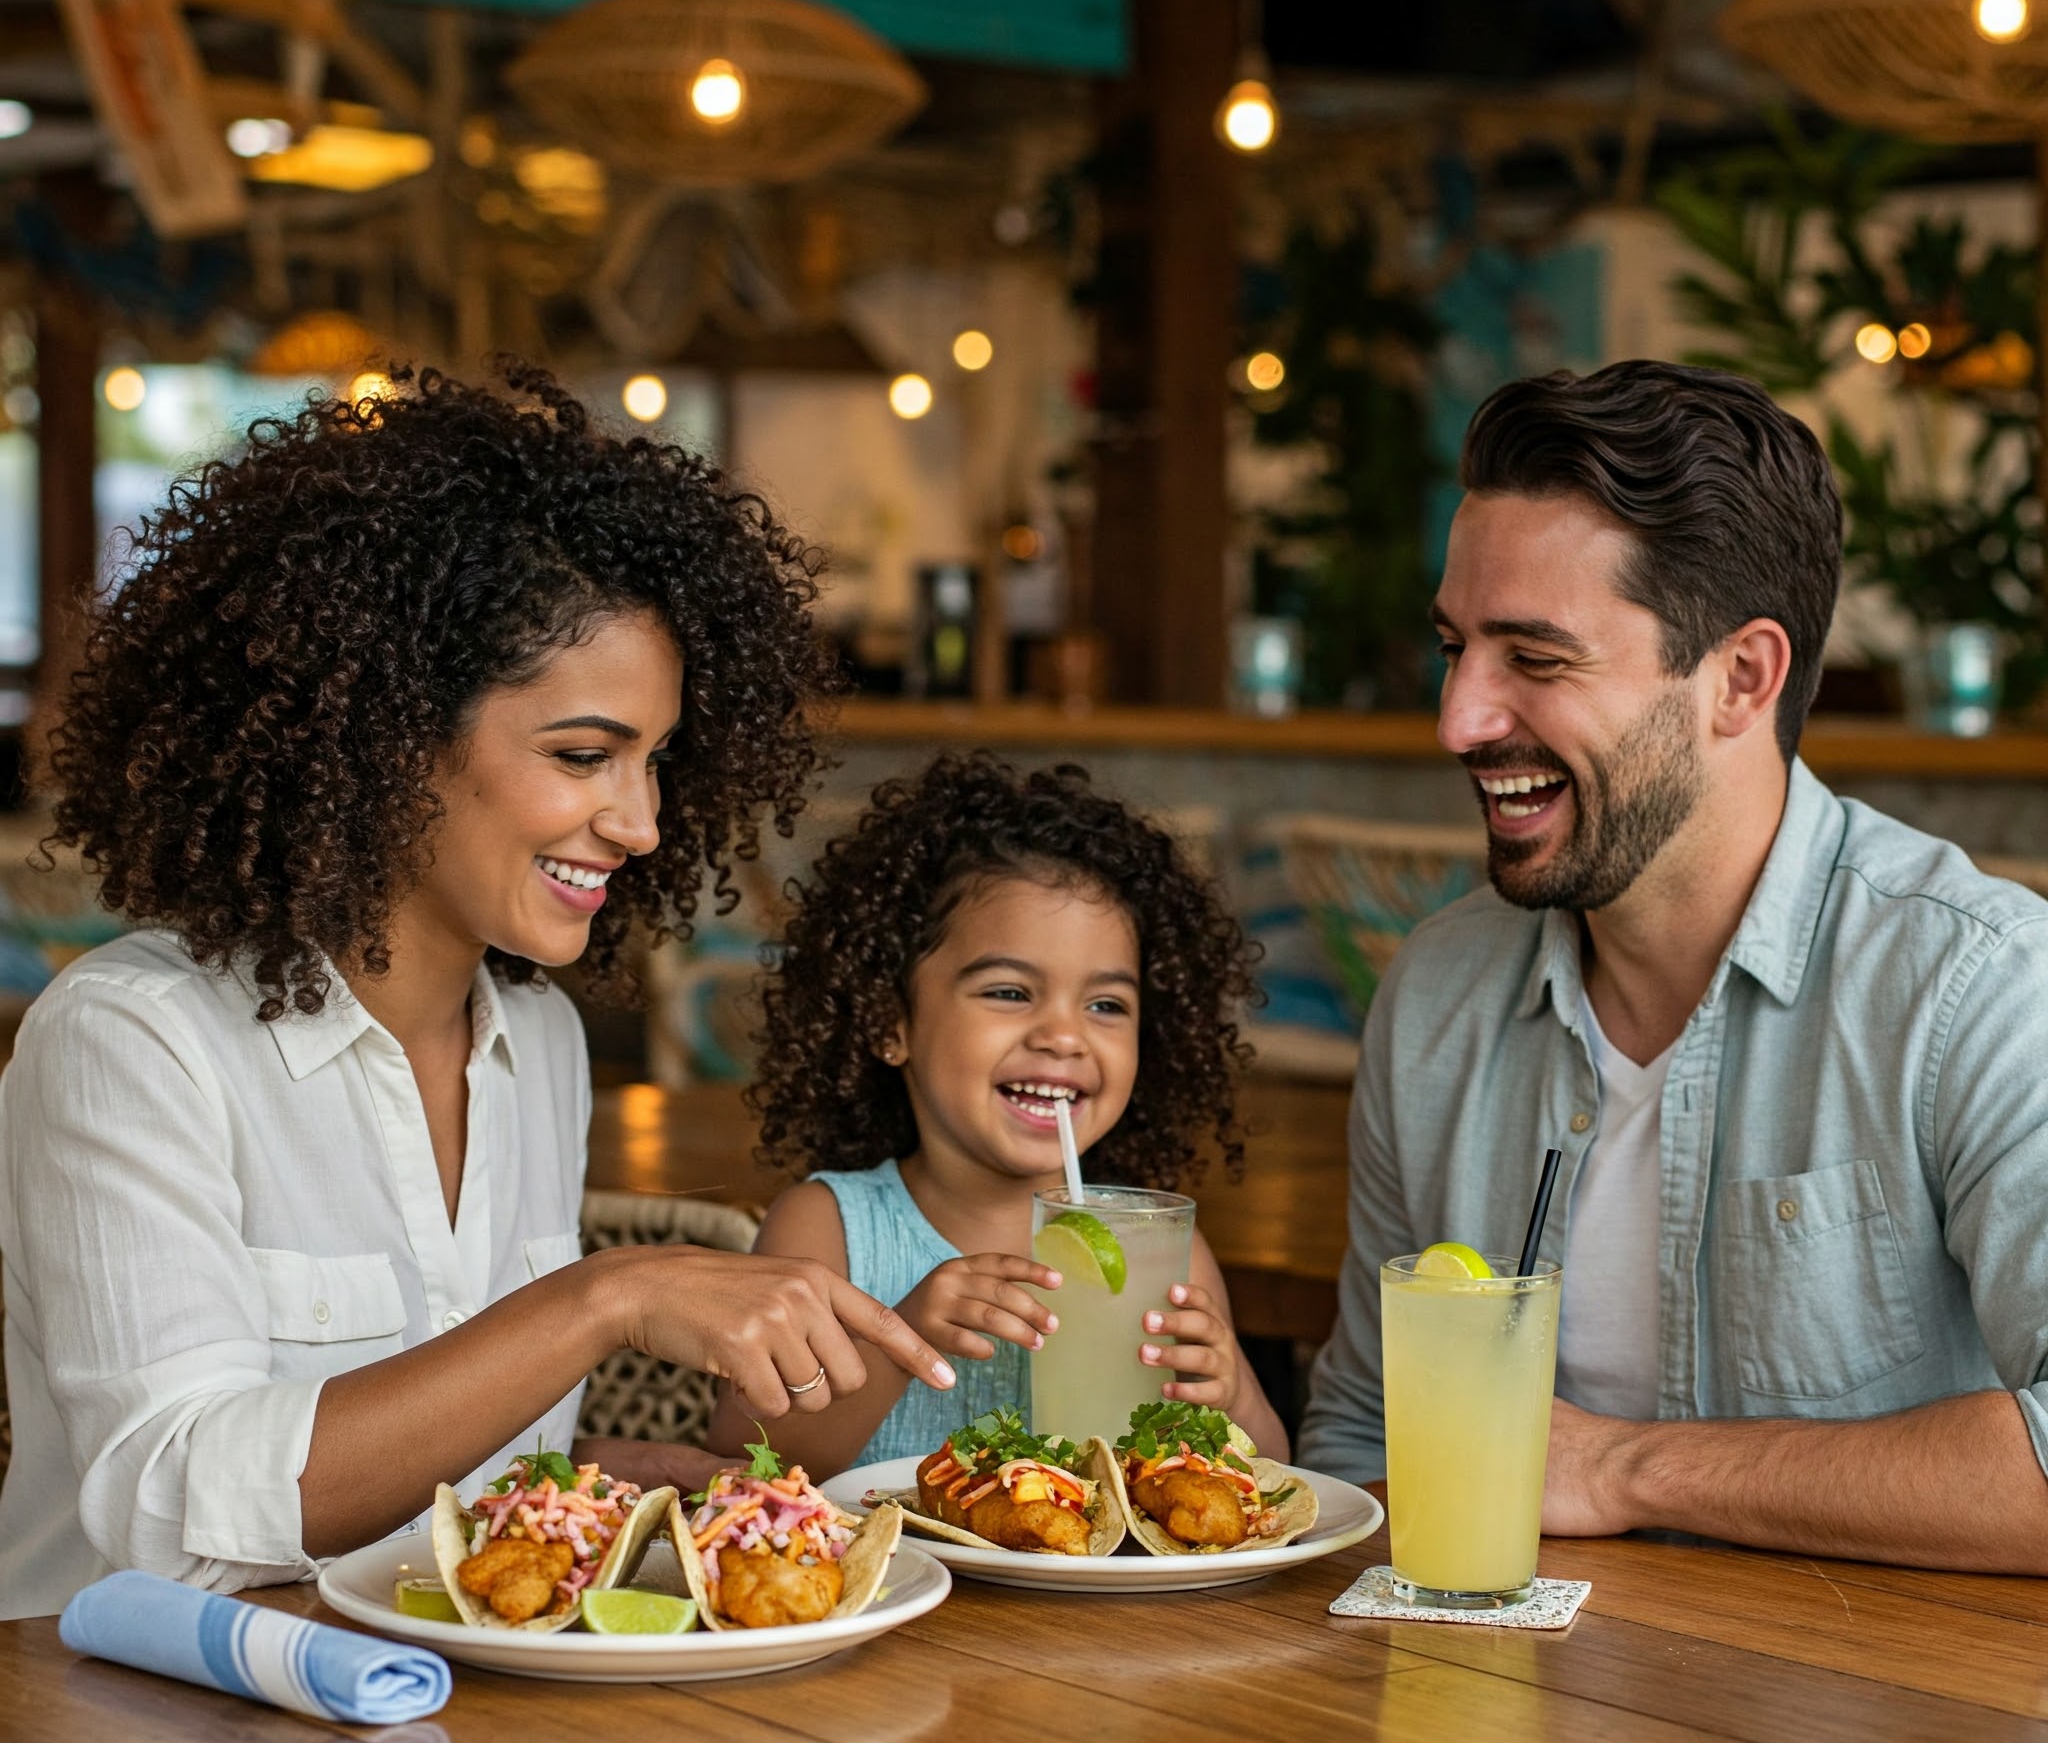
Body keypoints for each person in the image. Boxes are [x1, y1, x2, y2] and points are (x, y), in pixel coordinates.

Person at [0, 365, 955, 1620]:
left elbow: (421, 1460)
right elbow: (171, 1506)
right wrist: (606, 1296)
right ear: (390, 738)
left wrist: (581, 1477)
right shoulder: (133, 1042)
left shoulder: (536, 1042)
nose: (643, 821)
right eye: (582, 755)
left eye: (656, 760)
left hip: (431, 1722)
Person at [1297, 359, 2048, 1574]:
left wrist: (1622, 1464)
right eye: (1452, 648)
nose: (1458, 719)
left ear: (1739, 678)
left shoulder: (1975, 987)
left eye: (1533, 659)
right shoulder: (1434, 995)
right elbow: (1359, 1437)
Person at [712, 752, 1284, 1475]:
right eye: (1010, 992)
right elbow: (744, 1458)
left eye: (1106, 1005)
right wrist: (905, 1335)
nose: (1064, 1036)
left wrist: (1228, 1397)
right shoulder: (829, 1229)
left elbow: (1272, 1470)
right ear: (892, 1024)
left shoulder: (1158, 1250)